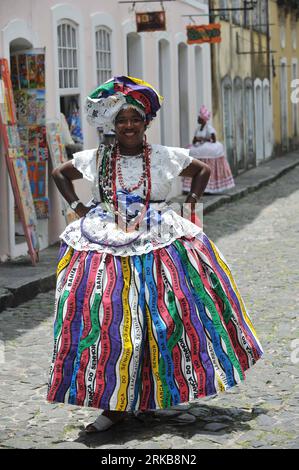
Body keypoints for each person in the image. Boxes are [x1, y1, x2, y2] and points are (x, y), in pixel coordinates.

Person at [47, 76, 263, 433]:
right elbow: (60, 173)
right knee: (107, 319)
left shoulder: (165, 156)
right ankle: (113, 402)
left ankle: (155, 391)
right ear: (112, 125)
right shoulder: (97, 158)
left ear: (146, 123)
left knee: (166, 313)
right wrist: (78, 207)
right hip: (105, 243)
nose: (128, 126)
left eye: (135, 119)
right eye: (121, 120)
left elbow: (202, 170)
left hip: (158, 239)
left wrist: (192, 202)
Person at [182, 105, 235, 194]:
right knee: (191, 151)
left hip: (208, 146)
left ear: (203, 119)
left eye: (199, 118)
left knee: (207, 153)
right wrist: (197, 140)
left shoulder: (209, 128)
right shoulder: (198, 129)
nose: (198, 119)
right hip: (199, 146)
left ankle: (208, 185)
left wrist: (202, 139)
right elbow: (194, 140)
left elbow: (213, 139)